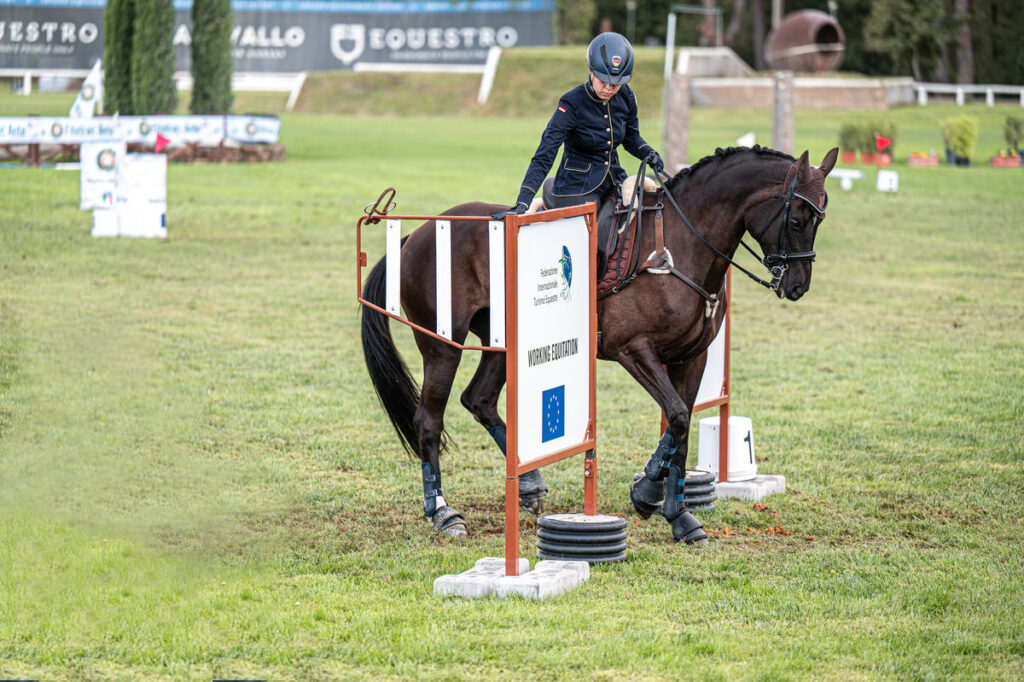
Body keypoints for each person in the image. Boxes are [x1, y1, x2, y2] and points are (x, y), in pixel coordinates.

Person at [493, 31, 665, 246]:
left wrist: (648, 153)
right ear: (590, 70)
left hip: (613, 180)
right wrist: (523, 200)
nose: (609, 88)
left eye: (616, 83)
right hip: (576, 187)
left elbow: (631, 137)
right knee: (597, 241)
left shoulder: (626, 96)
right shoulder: (571, 103)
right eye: (603, 80)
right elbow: (545, 154)